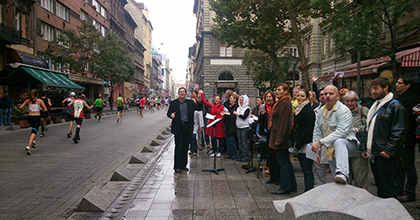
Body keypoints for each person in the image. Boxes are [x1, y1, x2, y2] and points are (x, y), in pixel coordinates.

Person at [360, 77, 407, 199]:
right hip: (375, 153)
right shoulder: (375, 105)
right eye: (372, 88)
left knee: (388, 190)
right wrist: (365, 147)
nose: (373, 91)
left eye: (376, 88)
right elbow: (368, 127)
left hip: (384, 154)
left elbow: (399, 131)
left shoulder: (396, 106)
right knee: (380, 188)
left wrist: (388, 150)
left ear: (386, 88)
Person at [311, 85, 359, 185]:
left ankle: (343, 172)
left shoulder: (344, 110)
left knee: (339, 141)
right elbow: (317, 131)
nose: (327, 96)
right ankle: (338, 183)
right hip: (330, 147)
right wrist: (315, 150)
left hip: (347, 142)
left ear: (337, 96)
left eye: (331, 94)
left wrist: (320, 143)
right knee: (336, 178)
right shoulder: (321, 111)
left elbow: (341, 132)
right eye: (325, 94)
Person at [394, 76, 419, 202]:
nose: (397, 84)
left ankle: (410, 192)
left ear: (407, 85)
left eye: (400, 83)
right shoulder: (400, 99)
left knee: (407, 164)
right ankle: (398, 187)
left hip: (407, 137)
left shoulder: (410, 100)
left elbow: (409, 121)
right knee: (399, 164)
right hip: (400, 137)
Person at [167, 87, 202, 173]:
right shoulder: (174, 103)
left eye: (183, 92)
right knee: (179, 147)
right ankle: (177, 166)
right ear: (178, 94)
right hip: (178, 127)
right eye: (180, 92)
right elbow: (168, 113)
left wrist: (199, 99)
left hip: (187, 127)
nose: (182, 93)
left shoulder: (190, 103)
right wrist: (171, 115)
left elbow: (199, 108)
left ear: (186, 94)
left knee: (185, 147)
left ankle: (183, 165)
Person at [270, 83, 296, 195]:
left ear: (286, 91)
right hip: (278, 135)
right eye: (276, 89)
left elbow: (284, 123)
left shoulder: (285, 103)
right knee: (286, 162)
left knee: (283, 163)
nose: (277, 91)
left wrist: (279, 138)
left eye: (279, 89)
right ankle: (291, 185)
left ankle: (285, 186)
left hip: (280, 137)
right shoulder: (281, 103)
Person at [290, 89, 315, 192]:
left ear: (307, 98)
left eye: (302, 96)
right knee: (304, 169)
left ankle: (309, 190)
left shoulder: (308, 111)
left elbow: (307, 131)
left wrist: (297, 146)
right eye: (298, 96)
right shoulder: (298, 109)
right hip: (300, 142)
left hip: (307, 144)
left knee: (307, 170)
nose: (299, 98)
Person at [343, 91, 369, 189]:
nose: (349, 103)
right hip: (345, 149)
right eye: (347, 101)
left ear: (357, 101)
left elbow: (368, 126)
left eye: (352, 101)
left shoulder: (363, 110)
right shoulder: (342, 111)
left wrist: (357, 129)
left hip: (358, 150)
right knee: (346, 179)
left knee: (360, 178)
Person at [19, 90, 48, 155]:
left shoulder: (28, 101)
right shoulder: (40, 101)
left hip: (29, 117)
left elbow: (21, 107)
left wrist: (26, 111)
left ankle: (33, 141)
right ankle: (29, 146)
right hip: (36, 117)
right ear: (37, 95)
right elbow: (45, 109)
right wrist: (40, 109)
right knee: (34, 132)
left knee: (34, 129)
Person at [262, 90, 280, 185]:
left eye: (270, 97)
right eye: (267, 97)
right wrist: (262, 115)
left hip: (274, 133)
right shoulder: (264, 107)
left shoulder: (275, 107)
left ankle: (277, 177)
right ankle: (272, 177)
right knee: (270, 156)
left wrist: (265, 114)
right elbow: (262, 122)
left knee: (275, 155)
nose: (268, 99)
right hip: (268, 133)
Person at [200, 91, 225, 158]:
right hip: (212, 124)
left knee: (220, 139)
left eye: (218, 99)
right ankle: (214, 150)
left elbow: (223, 116)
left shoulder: (222, 107)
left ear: (220, 100)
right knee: (213, 138)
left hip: (219, 124)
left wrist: (216, 116)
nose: (216, 100)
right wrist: (202, 94)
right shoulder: (212, 105)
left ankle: (219, 151)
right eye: (215, 98)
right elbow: (204, 102)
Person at [234, 94, 251, 162]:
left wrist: (237, 114)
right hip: (238, 126)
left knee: (244, 142)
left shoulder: (247, 108)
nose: (241, 102)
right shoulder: (238, 108)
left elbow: (244, 117)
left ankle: (245, 156)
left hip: (244, 127)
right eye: (240, 100)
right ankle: (240, 156)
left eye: (242, 100)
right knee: (240, 142)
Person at [223, 93, 239, 159]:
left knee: (232, 140)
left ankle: (234, 153)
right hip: (227, 125)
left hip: (232, 126)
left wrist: (228, 114)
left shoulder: (236, 107)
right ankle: (230, 153)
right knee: (228, 140)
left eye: (231, 98)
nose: (230, 99)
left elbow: (234, 116)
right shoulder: (228, 106)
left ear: (235, 100)